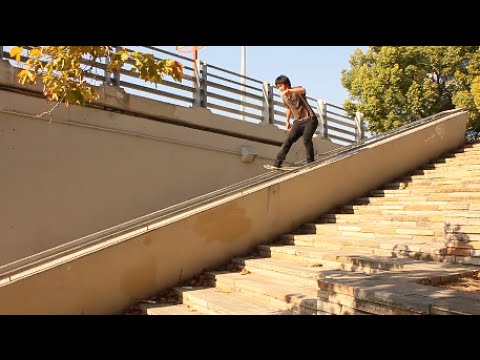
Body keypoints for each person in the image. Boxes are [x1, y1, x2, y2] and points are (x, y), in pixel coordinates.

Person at [271, 75, 319, 168]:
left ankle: (311, 162)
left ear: (286, 84)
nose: (279, 88)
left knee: (306, 139)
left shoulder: (297, 90)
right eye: (278, 87)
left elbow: (303, 90)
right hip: (298, 122)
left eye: (280, 86)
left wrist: (289, 90)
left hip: (310, 119)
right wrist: (287, 121)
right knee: (288, 140)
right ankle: (278, 163)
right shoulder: (284, 97)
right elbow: (288, 108)